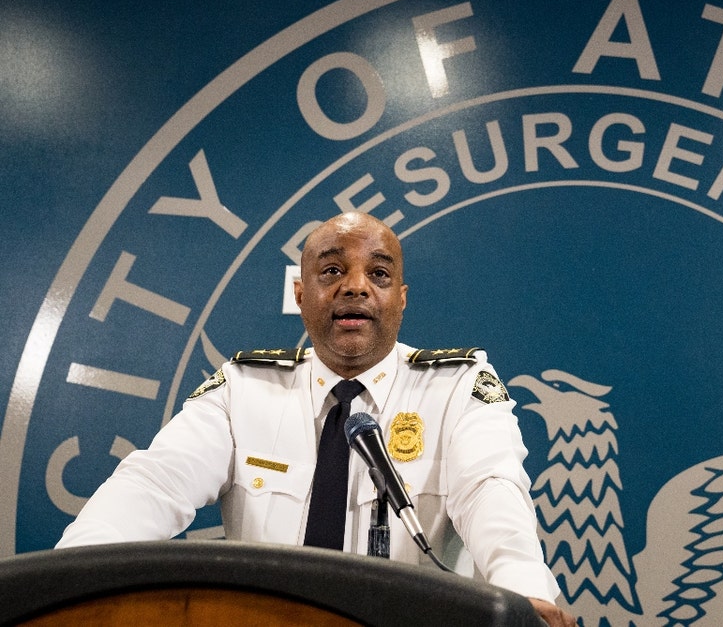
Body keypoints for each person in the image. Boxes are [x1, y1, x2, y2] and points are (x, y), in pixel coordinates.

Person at [58, 212, 577, 626]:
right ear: (301, 295)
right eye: (331, 271)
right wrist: (70, 578)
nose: (355, 287)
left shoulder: (457, 386)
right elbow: (156, 480)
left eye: (379, 274)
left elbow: (491, 489)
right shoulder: (243, 388)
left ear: (401, 297)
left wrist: (524, 590)